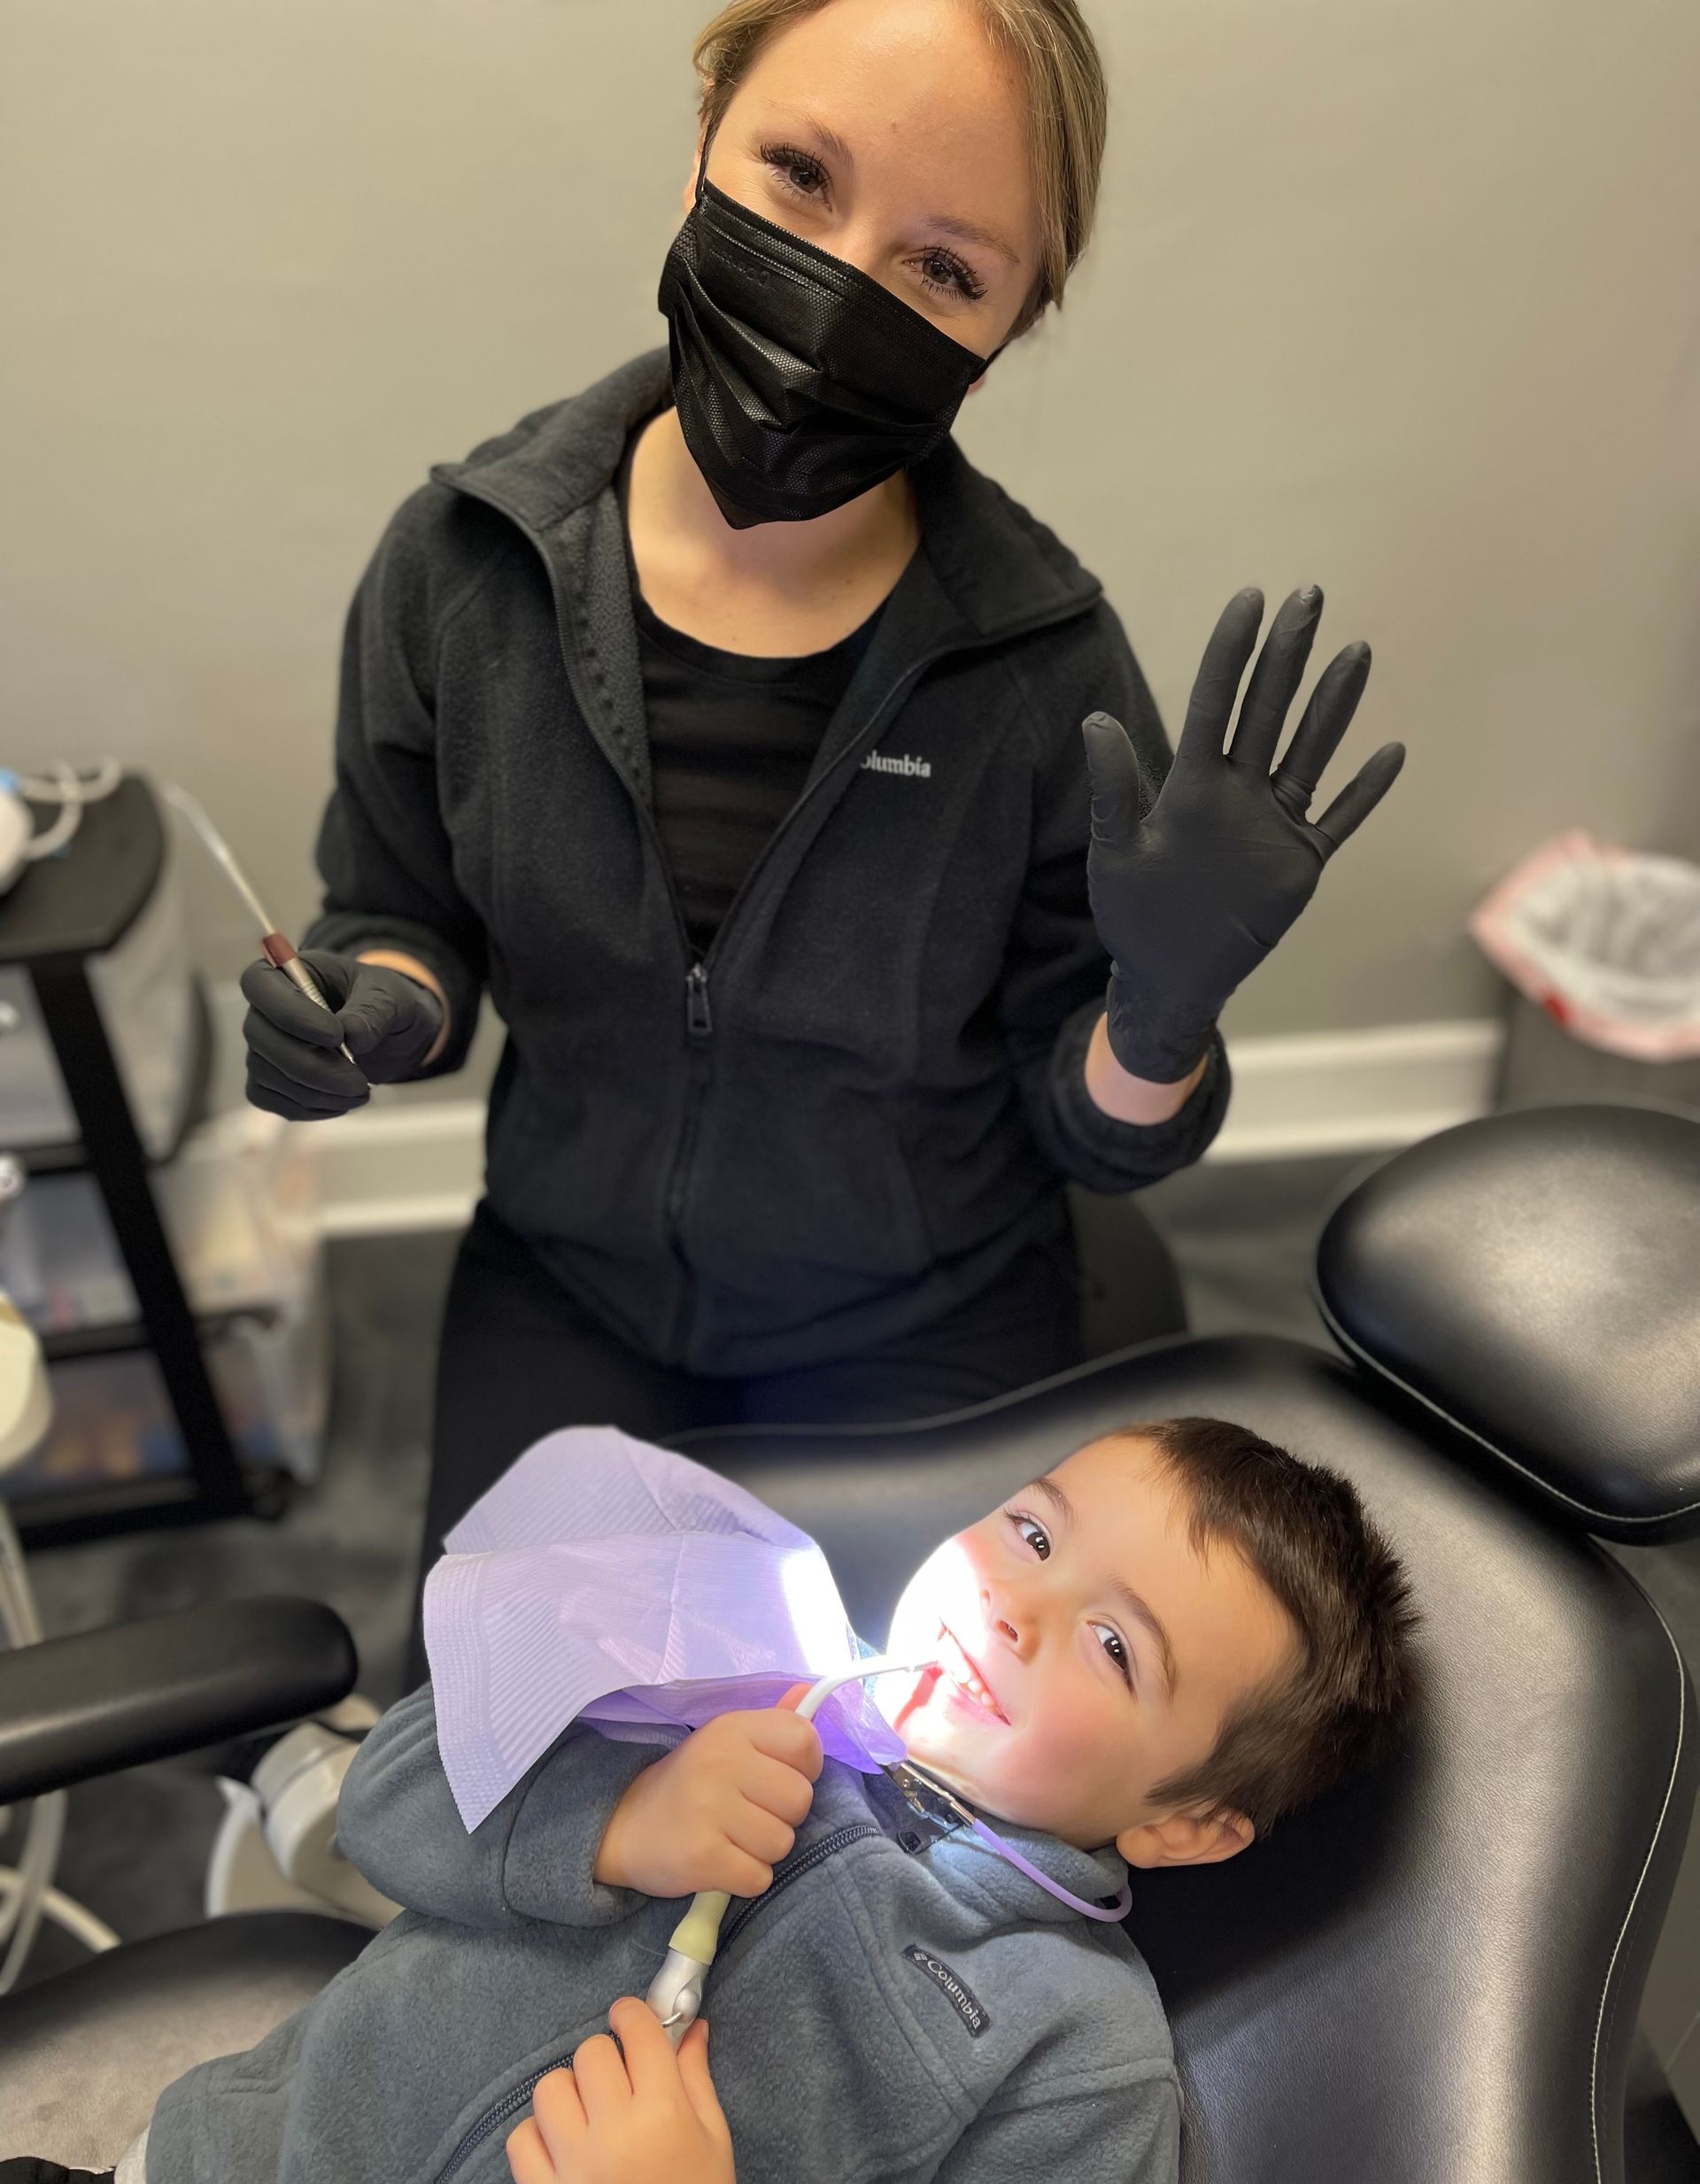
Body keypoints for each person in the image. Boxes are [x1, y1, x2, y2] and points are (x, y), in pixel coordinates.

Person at [237, 0, 1407, 1685]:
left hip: (923, 1318)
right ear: (703, 134)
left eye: (946, 269)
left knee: (897, 1795)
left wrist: (1154, 1027)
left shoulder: (1043, 674)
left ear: (1011, 325)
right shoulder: (463, 567)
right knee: (490, 1762)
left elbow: (1095, 1137)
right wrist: (369, 1008)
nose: (844, 284)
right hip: (571, 1285)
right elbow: (407, 923)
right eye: (798, 176)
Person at [2, 1416, 1419, 2184]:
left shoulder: (1075, 2064)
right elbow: (391, 1790)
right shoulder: (735, 1664)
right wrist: (618, 1823)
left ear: (1185, 1824)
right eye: (1032, 1535)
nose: (1012, 1612)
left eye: (1114, 1645)